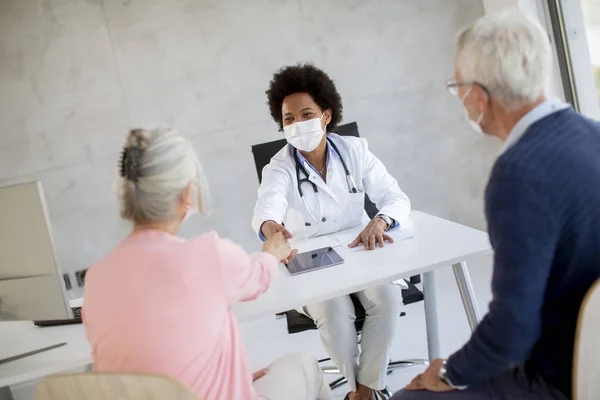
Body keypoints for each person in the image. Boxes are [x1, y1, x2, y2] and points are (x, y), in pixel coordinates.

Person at [391, 11, 600, 400]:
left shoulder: (518, 173)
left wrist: (450, 373)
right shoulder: (593, 133)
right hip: (591, 354)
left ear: (478, 95)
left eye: (457, 88)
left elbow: (512, 328)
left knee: (409, 397)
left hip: (563, 377)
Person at [83, 127, 333, 400]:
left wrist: (229, 379)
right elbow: (260, 274)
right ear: (186, 193)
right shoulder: (209, 257)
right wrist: (273, 251)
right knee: (305, 364)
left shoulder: (96, 279)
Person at [252, 64, 411, 400]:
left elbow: (395, 198)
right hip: (310, 259)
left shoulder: (356, 151)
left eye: (306, 114)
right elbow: (268, 204)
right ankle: (366, 391)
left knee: (387, 298)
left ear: (326, 115)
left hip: (359, 249)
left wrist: (380, 221)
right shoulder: (279, 167)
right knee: (335, 313)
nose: (297, 124)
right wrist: (270, 227)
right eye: (289, 119)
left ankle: (362, 392)